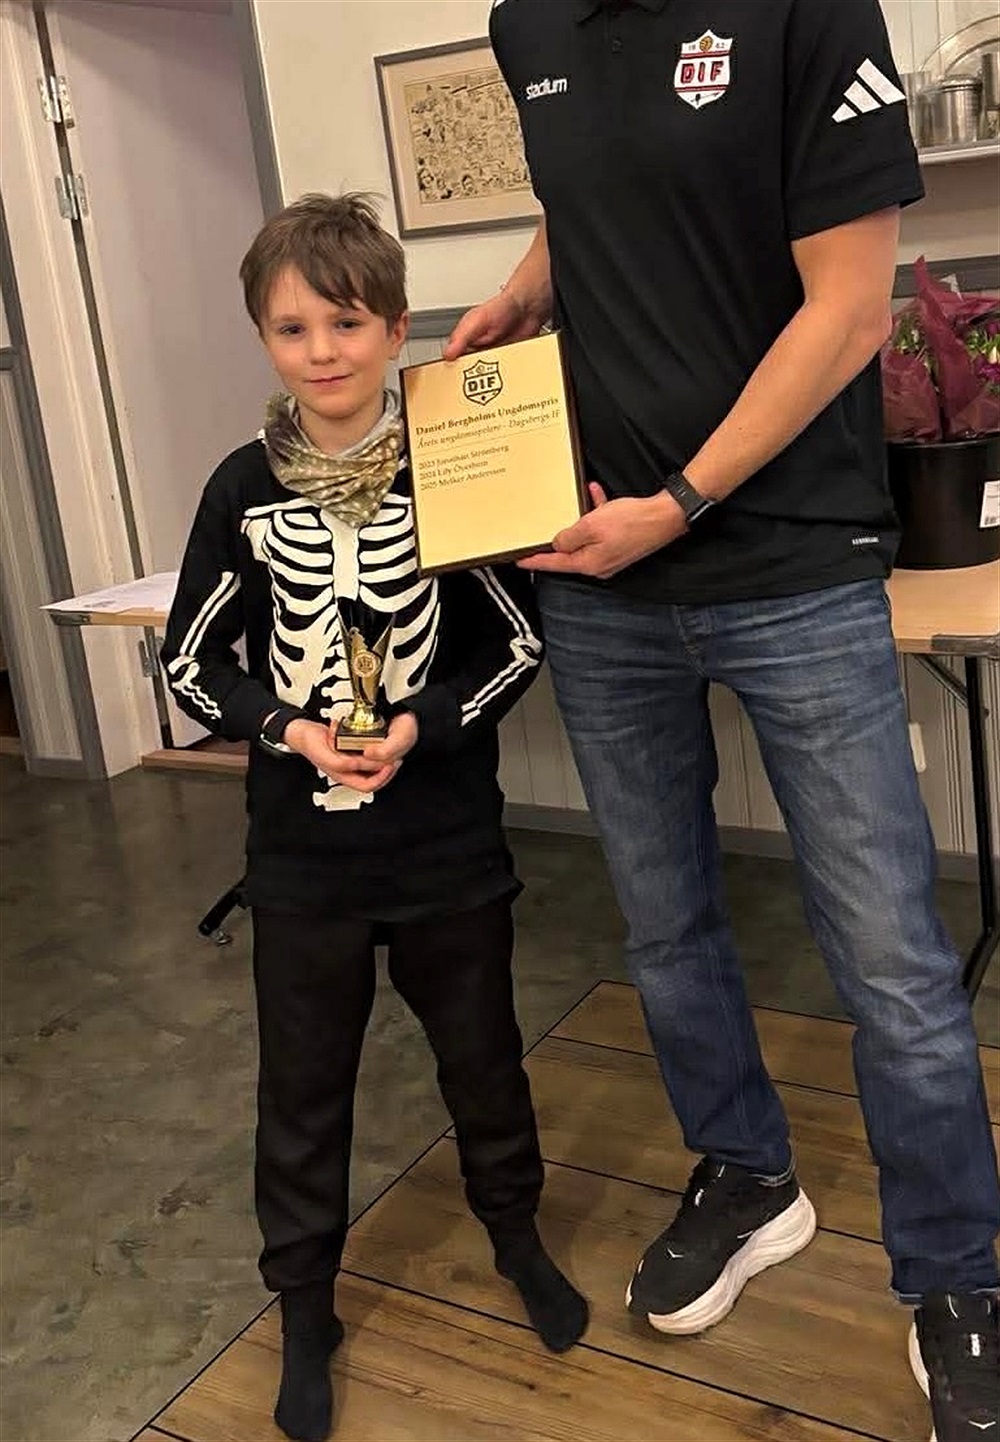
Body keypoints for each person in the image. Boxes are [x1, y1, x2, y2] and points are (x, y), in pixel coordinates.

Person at [445, 3, 999, 1438]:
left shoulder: (805, 7)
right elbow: (596, 193)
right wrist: (520, 296)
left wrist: (682, 500)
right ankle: (750, 1176)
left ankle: (958, 1278)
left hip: (792, 564)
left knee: (889, 955)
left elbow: (851, 308)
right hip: (599, 576)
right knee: (664, 926)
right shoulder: (528, 22)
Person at [161, 192, 588, 1442]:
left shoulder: (454, 463)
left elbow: (516, 642)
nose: (323, 350)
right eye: (293, 328)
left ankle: (516, 1234)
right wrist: (287, 726)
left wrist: (421, 725)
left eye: (347, 323)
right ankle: (305, 1305)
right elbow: (189, 662)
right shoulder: (240, 488)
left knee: (484, 1056)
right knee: (301, 1088)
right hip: (304, 860)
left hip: (444, 841)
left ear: (396, 330)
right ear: (263, 338)